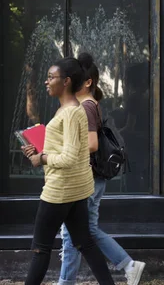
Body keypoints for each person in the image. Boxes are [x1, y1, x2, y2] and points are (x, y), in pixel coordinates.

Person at [21, 57, 115, 285]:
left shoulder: (72, 112)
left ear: (66, 82)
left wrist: (41, 158)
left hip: (60, 190)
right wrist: (40, 148)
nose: (46, 81)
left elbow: (71, 157)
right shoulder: (69, 109)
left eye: (51, 77)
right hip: (75, 189)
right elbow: (69, 148)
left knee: (40, 250)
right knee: (85, 243)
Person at [58, 53, 146, 285]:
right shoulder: (91, 104)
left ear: (87, 82)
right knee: (88, 230)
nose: (69, 83)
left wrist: (62, 151)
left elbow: (92, 144)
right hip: (94, 178)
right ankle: (129, 264)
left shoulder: (86, 107)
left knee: (71, 234)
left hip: (86, 178)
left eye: (74, 79)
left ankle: (65, 282)